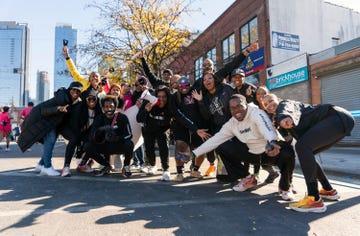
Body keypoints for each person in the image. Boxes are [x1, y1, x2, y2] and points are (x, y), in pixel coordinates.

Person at [190, 94, 296, 201]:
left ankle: (285, 187)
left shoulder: (256, 113)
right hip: (253, 155)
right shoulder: (231, 124)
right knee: (221, 146)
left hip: (270, 151)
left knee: (288, 151)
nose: (236, 110)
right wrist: (194, 153)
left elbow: (266, 128)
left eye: (239, 106)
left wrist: (272, 141)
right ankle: (248, 178)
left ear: (246, 104)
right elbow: (215, 140)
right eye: (233, 108)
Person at [262, 93, 355, 213]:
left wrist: (284, 117)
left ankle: (314, 199)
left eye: (271, 101)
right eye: (265, 104)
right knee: (306, 153)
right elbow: (287, 141)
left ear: (278, 99)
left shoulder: (285, 104)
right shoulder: (279, 123)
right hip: (341, 121)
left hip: (334, 116)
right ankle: (328, 190)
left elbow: (287, 110)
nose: (269, 105)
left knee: (302, 147)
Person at [17, 81, 83, 176]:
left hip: (51, 122)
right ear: (69, 90)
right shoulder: (62, 98)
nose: (76, 92)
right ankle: (47, 167)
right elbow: (44, 110)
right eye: (74, 90)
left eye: (78, 91)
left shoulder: (71, 100)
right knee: (50, 141)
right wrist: (57, 109)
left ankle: (41, 164)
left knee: (50, 142)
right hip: (44, 119)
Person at [231, 69, 279, 183]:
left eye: (264, 94)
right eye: (258, 94)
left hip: (269, 136)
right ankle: (255, 175)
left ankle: (281, 180)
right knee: (252, 153)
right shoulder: (254, 105)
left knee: (264, 158)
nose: (261, 96)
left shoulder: (271, 107)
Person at [170, 76, 212, 181]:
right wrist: (194, 128)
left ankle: (195, 170)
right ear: (177, 86)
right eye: (181, 85)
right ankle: (180, 172)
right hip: (182, 126)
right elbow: (179, 116)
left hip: (199, 126)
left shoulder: (195, 92)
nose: (184, 87)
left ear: (190, 85)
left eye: (187, 85)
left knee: (201, 148)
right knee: (180, 146)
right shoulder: (174, 97)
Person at [83, 95, 134, 177]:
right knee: (87, 146)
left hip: (118, 145)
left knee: (130, 144)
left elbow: (129, 135)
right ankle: (105, 165)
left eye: (111, 106)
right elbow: (91, 136)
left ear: (115, 107)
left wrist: (117, 138)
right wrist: (100, 135)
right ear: (103, 108)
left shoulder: (122, 117)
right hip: (104, 146)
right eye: (106, 107)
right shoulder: (99, 118)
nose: (109, 109)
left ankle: (126, 166)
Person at [136, 86, 173, 180]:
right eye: (159, 96)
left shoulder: (170, 105)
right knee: (149, 148)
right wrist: (145, 110)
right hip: (149, 127)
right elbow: (138, 118)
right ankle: (153, 165)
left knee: (163, 146)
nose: (161, 99)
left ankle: (166, 169)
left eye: (164, 96)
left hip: (163, 129)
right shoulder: (148, 102)